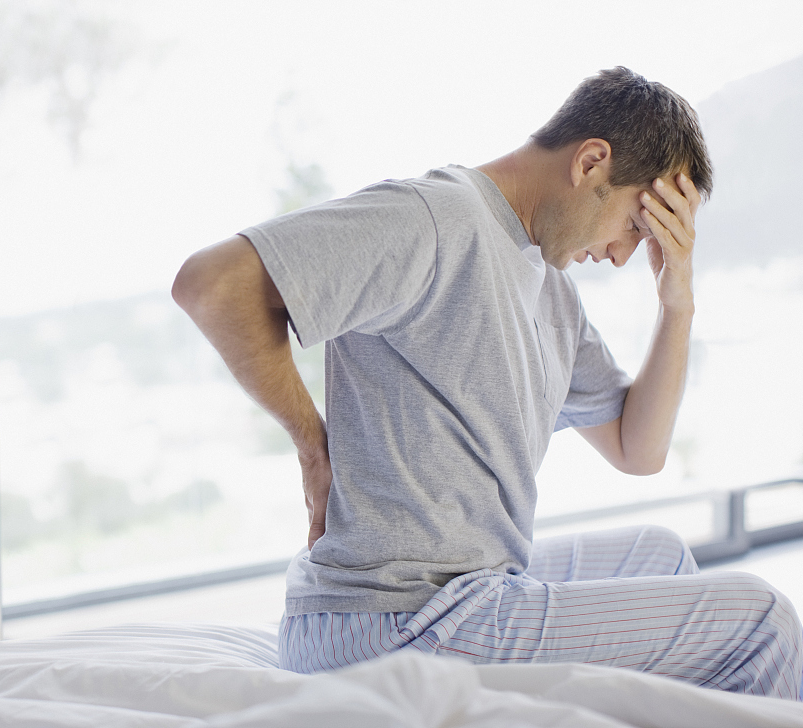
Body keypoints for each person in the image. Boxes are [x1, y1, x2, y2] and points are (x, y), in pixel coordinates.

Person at [172, 67, 802, 699]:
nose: (622, 256)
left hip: (470, 591)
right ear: (591, 163)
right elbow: (213, 285)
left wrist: (678, 303)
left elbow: (639, 451)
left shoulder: (551, 293)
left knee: (659, 555)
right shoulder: (436, 218)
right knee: (763, 622)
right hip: (391, 621)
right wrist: (314, 445)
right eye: (636, 227)